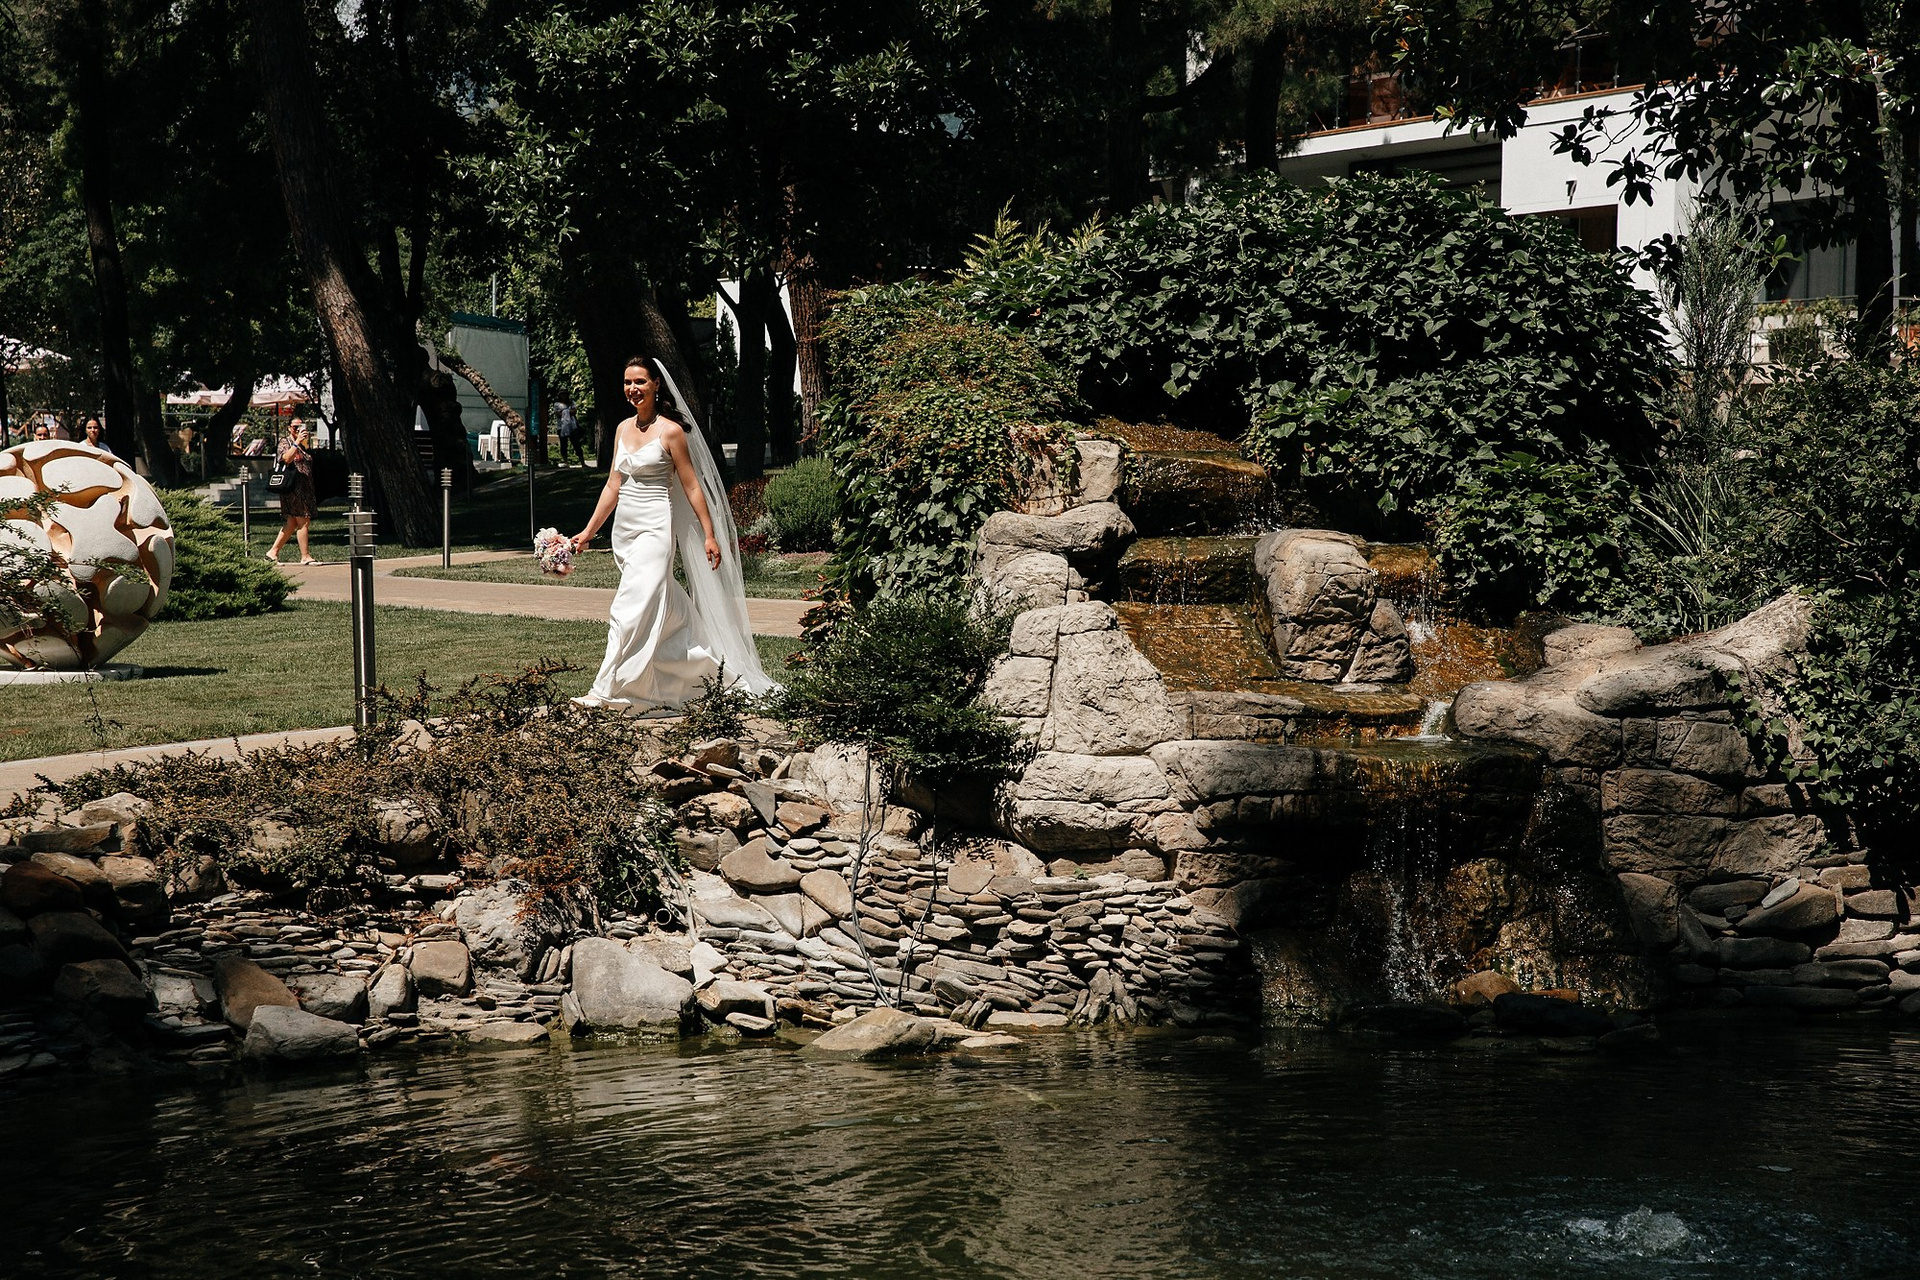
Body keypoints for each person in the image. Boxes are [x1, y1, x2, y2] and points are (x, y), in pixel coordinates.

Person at [569, 354, 774, 713]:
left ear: (656, 384)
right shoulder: (622, 429)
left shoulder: (671, 431)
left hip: (655, 529)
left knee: (627, 609)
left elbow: (692, 486)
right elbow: (613, 486)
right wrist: (587, 533)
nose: (633, 389)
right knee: (660, 607)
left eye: (640, 381)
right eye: (627, 382)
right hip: (626, 531)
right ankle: (704, 671)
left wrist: (709, 534)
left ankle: (605, 691)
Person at [264, 420, 320, 565]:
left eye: (301, 427)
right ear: (289, 428)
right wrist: (296, 443)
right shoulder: (285, 442)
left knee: (292, 523)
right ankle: (305, 556)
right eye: (295, 427)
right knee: (303, 520)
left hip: (304, 489)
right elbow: (286, 459)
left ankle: (272, 552)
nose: (298, 430)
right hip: (293, 489)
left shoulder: (303, 445)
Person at [555, 396, 585, 466]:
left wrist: (564, 412)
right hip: (561, 427)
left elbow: (574, 412)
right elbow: (558, 414)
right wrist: (568, 411)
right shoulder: (557, 404)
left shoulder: (571, 403)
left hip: (572, 427)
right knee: (563, 445)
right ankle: (566, 462)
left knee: (576, 444)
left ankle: (582, 462)